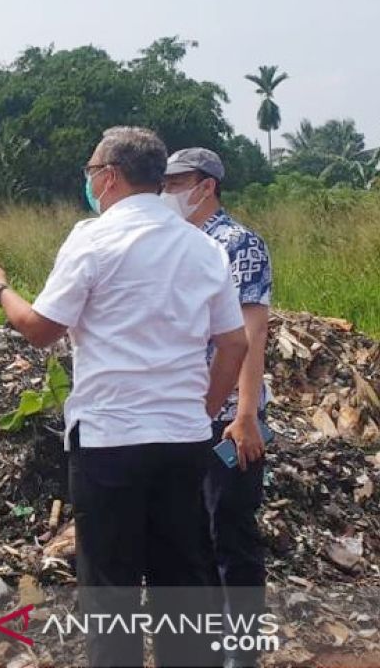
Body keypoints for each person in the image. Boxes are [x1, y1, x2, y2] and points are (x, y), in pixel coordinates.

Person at [0, 127, 248, 668]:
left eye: (92, 171)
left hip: (111, 440)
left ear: (109, 176)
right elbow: (233, 343)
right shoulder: (203, 247)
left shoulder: (93, 239)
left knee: (111, 590)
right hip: (182, 440)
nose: (90, 180)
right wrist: (202, 412)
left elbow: (40, 328)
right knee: (182, 581)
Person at [162, 147, 273, 668]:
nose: (166, 192)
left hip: (229, 417)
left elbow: (251, 334)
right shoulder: (176, 244)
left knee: (231, 532)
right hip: (186, 415)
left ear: (205, 186)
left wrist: (245, 415)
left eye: (175, 182)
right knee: (193, 538)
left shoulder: (238, 244)